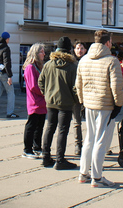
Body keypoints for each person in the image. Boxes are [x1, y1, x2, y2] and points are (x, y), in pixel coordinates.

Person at [76, 30, 123, 188]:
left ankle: (83, 173)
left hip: (89, 104)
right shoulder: (112, 61)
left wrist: (82, 101)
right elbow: (116, 86)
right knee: (101, 141)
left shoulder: (83, 59)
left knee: (89, 138)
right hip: (105, 105)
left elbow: (78, 84)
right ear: (108, 42)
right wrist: (118, 104)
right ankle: (97, 177)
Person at [38, 36, 79, 170]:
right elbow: (75, 87)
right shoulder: (72, 66)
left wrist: (47, 94)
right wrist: (76, 101)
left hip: (51, 102)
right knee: (62, 130)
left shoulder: (48, 64)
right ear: (68, 49)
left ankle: (45, 157)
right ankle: (60, 159)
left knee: (49, 128)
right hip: (66, 103)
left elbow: (41, 82)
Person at [22, 43, 47, 159]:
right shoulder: (30, 67)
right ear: (36, 53)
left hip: (42, 102)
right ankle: (27, 149)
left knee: (40, 127)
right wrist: (45, 92)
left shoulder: (39, 66)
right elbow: (33, 86)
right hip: (35, 102)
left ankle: (37, 147)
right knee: (31, 126)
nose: (44, 54)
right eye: (41, 51)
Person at [73, 41, 87, 156]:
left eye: (82, 48)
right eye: (78, 48)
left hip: (87, 96)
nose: (80, 50)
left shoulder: (88, 61)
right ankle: (78, 144)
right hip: (75, 96)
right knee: (77, 122)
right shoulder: (72, 62)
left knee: (90, 122)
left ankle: (89, 144)